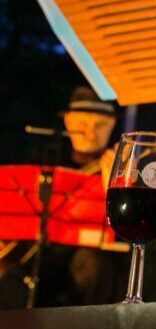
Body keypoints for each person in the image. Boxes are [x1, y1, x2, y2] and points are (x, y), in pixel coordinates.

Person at [0, 86, 126, 308]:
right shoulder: (43, 158)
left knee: (95, 265)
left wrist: (117, 190)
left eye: (100, 125)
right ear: (67, 121)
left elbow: (127, 235)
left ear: (113, 125)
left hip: (82, 264)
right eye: (82, 124)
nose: (90, 132)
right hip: (34, 258)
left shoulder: (123, 167)